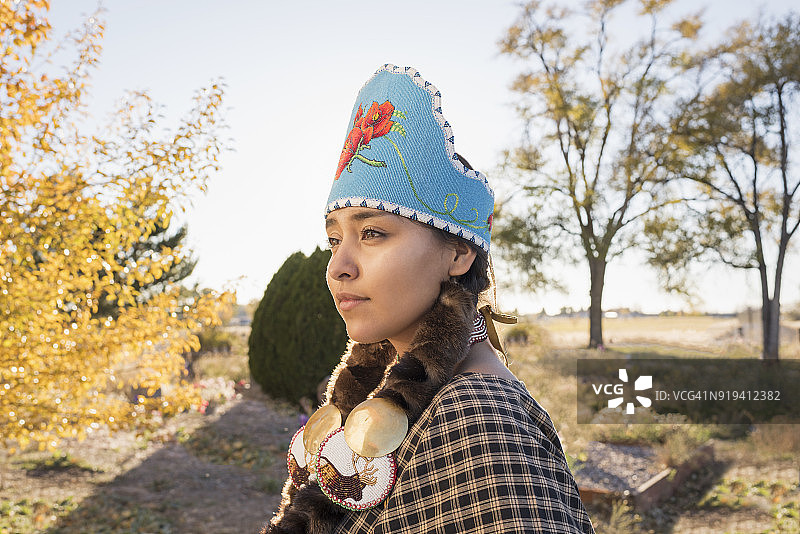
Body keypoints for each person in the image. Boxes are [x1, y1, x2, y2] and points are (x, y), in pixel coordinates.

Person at [263, 64, 594, 534]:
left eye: (373, 232)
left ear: (458, 253)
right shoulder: (394, 383)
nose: (339, 266)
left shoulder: (479, 418)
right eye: (336, 239)